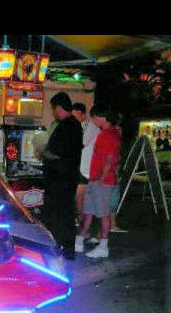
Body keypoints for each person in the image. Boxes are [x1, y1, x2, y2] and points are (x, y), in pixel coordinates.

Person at [75, 105, 122, 259]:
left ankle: (103, 247)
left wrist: (99, 180)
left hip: (102, 181)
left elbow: (108, 161)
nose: (93, 120)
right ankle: (80, 241)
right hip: (96, 180)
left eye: (94, 117)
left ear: (100, 117)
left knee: (103, 214)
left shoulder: (108, 135)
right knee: (88, 211)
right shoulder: (109, 134)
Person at [40, 92, 83, 260]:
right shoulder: (74, 125)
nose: (53, 113)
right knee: (65, 213)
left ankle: (59, 246)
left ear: (59, 108)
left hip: (60, 179)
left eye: (53, 109)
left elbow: (57, 152)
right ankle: (66, 247)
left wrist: (44, 152)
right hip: (67, 178)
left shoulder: (67, 126)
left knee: (58, 214)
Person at [72, 103, 101, 220]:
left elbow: (79, 146)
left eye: (75, 115)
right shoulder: (80, 126)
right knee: (79, 197)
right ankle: (82, 220)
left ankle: (82, 221)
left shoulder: (90, 127)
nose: (73, 118)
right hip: (81, 168)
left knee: (80, 197)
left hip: (86, 169)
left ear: (82, 114)